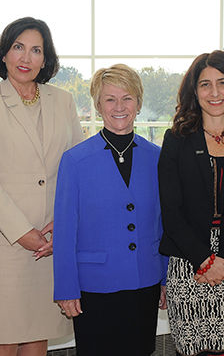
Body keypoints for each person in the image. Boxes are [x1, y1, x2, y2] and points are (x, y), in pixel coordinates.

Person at [0, 17, 83, 356]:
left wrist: (61, 228)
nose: (26, 57)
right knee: (3, 340)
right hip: (3, 243)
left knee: (38, 337)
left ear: (46, 59)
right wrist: (22, 232)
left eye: (36, 50)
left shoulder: (63, 101)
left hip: (50, 241)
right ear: (3, 54)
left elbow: (76, 169)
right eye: (18, 47)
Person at [53, 64, 168, 356]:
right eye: (110, 99)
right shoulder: (74, 161)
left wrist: (166, 278)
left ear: (139, 103)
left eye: (127, 98)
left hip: (145, 281)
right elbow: (65, 231)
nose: (119, 106)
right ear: (97, 104)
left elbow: (163, 223)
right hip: (94, 286)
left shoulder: (158, 158)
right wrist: (66, 289)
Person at [158, 50, 224, 356]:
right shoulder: (176, 140)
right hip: (189, 263)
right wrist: (205, 261)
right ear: (195, 91)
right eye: (205, 84)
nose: (215, 92)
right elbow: (171, 212)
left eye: (223, 82)